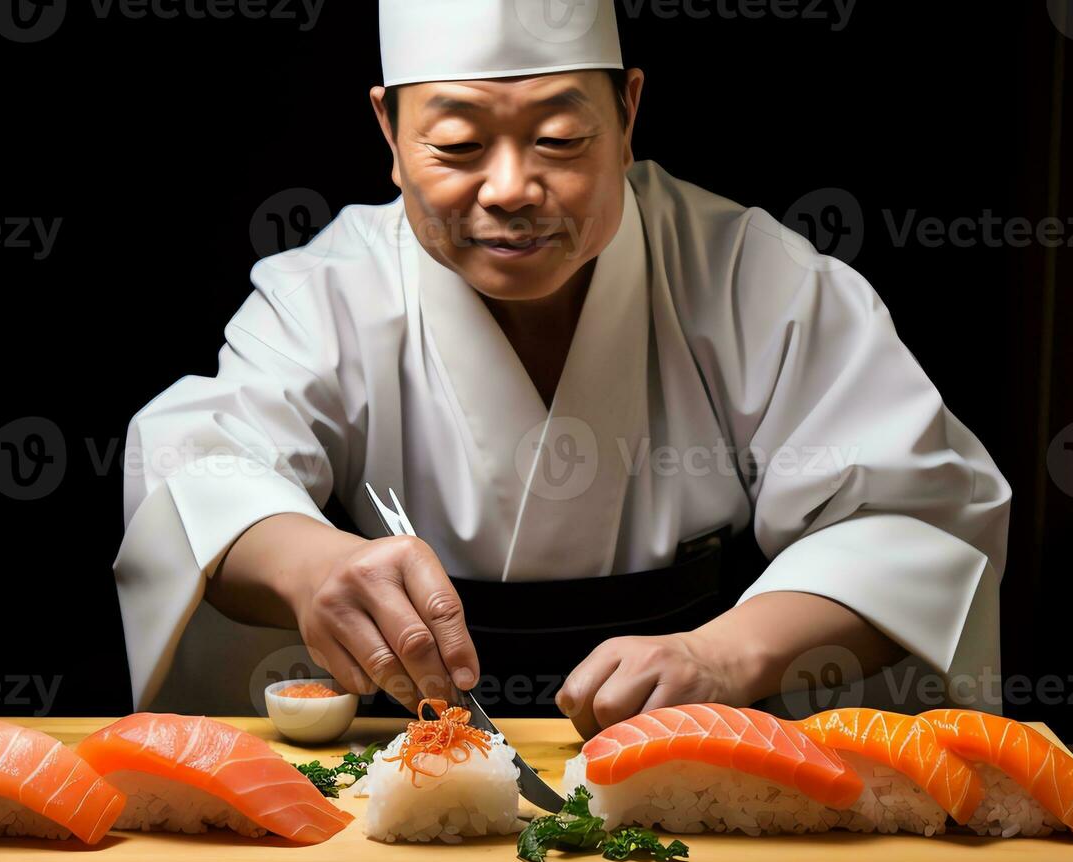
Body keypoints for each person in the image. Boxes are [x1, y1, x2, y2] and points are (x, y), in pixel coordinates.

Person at [114, 0, 1010, 738]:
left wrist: (724, 653)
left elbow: (911, 515)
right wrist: (310, 568)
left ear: (625, 113)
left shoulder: (752, 274)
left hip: (693, 740)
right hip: (407, 745)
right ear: (388, 128)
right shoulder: (327, 292)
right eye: (457, 146)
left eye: (559, 140)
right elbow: (200, 469)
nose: (508, 189)